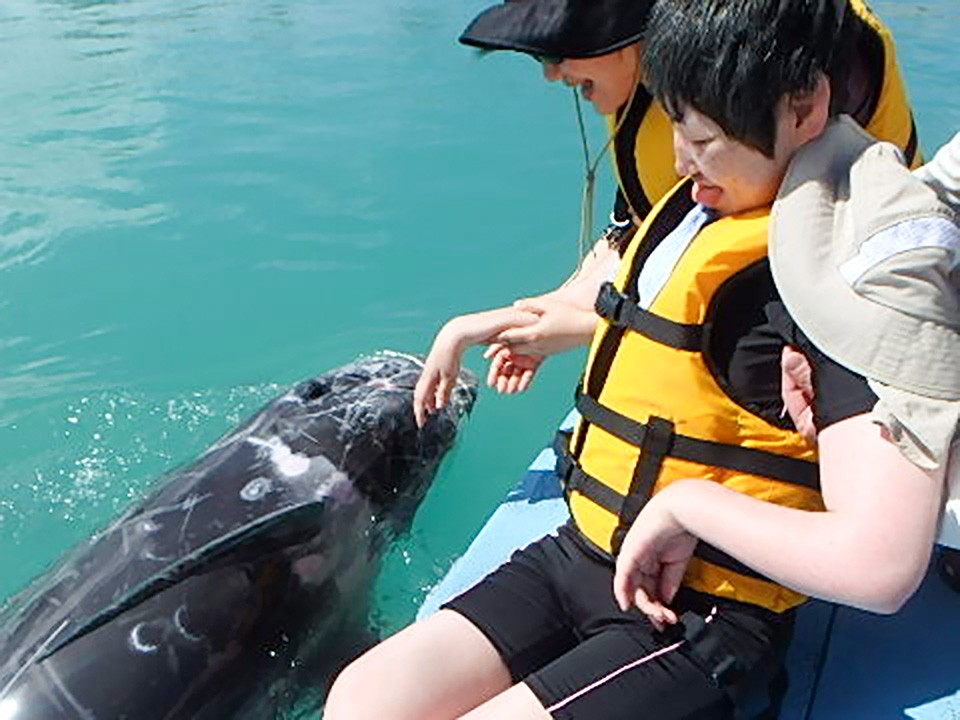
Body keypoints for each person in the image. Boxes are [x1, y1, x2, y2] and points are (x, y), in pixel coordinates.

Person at [325, 2, 952, 718]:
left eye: (704, 138)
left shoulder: (841, 280)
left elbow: (880, 566)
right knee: (360, 701)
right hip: (579, 553)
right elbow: (628, 311)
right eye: (673, 126)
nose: (680, 162)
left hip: (704, 610)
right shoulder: (700, 207)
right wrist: (481, 325)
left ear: (804, 108)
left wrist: (690, 505)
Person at [414, 0, 923, 425]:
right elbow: (642, 240)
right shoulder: (663, 89)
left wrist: (587, 325)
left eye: (556, 51)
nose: (551, 74)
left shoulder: (775, 71)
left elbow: (765, 305)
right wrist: (519, 323)